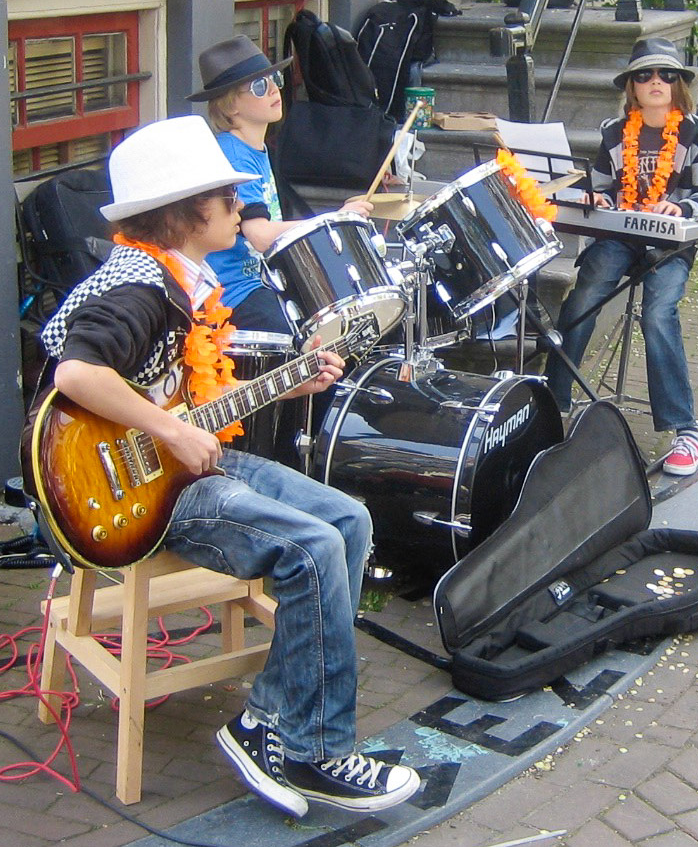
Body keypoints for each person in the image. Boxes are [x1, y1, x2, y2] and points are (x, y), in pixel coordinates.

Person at [39, 115, 419, 817]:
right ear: (185, 213)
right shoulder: (138, 288)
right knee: (311, 547)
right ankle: (315, 753)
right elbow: (76, 373)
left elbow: (184, 396)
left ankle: (268, 724)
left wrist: (288, 381)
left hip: (172, 464)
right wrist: (170, 434)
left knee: (348, 518)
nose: (241, 208)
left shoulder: (180, 277)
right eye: (228, 196)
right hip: (124, 495)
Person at [544, 38, 698, 477]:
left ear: (679, 83)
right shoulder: (612, 133)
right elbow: (604, 190)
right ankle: (552, 402)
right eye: (644, 75)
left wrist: (680, 206)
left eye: (666, 74)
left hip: (671, 243)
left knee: (659, 313)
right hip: (620, 237)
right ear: (632, 88)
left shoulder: (697, 134)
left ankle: (684, 431)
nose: (656, 82)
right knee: (584, 296)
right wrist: (597, 199)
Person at [187, 35, 375, 334]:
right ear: (231, 105)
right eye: (260, 86)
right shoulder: (232, 155)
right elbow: (259, 234)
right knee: (310, 339)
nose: (275, 89)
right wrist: (334, 218)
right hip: (231, 294)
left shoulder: (254, 148)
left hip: (258, 279)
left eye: (274, 78)